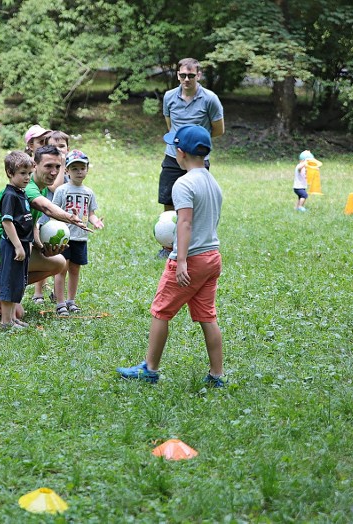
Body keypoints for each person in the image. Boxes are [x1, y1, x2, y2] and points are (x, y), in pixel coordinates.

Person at [118, 125, 225, 387]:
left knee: (160, 312)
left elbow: (185, 223)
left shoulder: (184, 183)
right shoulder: (213, 182)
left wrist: (182, 260)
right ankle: (217, 375)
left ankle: (150, 369)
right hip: (212, 256)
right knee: (207, 317)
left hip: (192, 259)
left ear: (179, 153)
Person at [0, 145, 88, 321]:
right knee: (17, 313)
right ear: (35, 165)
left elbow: (32, 225)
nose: (54, 172)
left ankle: (10, 288)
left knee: (58, 263)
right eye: (48, 166)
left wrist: (40, 246)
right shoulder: (27, 188)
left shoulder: (42, 188)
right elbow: (45, 207)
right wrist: (69, 217)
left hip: (11, 253)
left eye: (57, 167)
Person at [157, 57, 225, 257]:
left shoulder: (210, 98)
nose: (187, 79)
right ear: (177, 75)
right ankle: (168, 246)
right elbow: (170, 125)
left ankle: (194, 246)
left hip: (197, 160)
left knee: (195, 202)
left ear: (199, 75)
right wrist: (181, 145)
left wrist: (193, 144)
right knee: (168, 200)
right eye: (183, 75)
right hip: (173, 155)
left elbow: (219, 130)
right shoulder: (169, 96)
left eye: (191, 75)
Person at [52, 150, 104, 315]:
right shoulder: (61, 190)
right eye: (74, 168)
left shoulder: (89, 192)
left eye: (82, 168)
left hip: (80, 238)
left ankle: (71, 301)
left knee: (75, 270)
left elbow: (90, 213)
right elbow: (53, 211)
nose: (79, 171)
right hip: (63, 237)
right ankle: (60, 303)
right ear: (66, 171)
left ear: (87, 169)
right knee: (61, 269)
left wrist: (95, 221)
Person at [0, 151, 36, 329]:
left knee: (18, 282)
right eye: (22, 173)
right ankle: (5, 322)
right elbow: (7, 222)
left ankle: (13, 318)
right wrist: (18, 246)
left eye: (29, 173)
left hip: (22, 245)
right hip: (12, 245)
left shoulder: (21, 193)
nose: (27, 177)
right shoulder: (10, 195)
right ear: (10, 173)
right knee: (9, 281)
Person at [33, 129, 70, 304]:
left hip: (61, 220)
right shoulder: (57, 169)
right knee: (44, 253)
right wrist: (60, 165)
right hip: (45, 218)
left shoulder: (67, 167)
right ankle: (38, 292)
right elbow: (56, 187)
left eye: (62, 146)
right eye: (54, 147)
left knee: (58, 255)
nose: (59, 150)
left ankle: (58, 294)